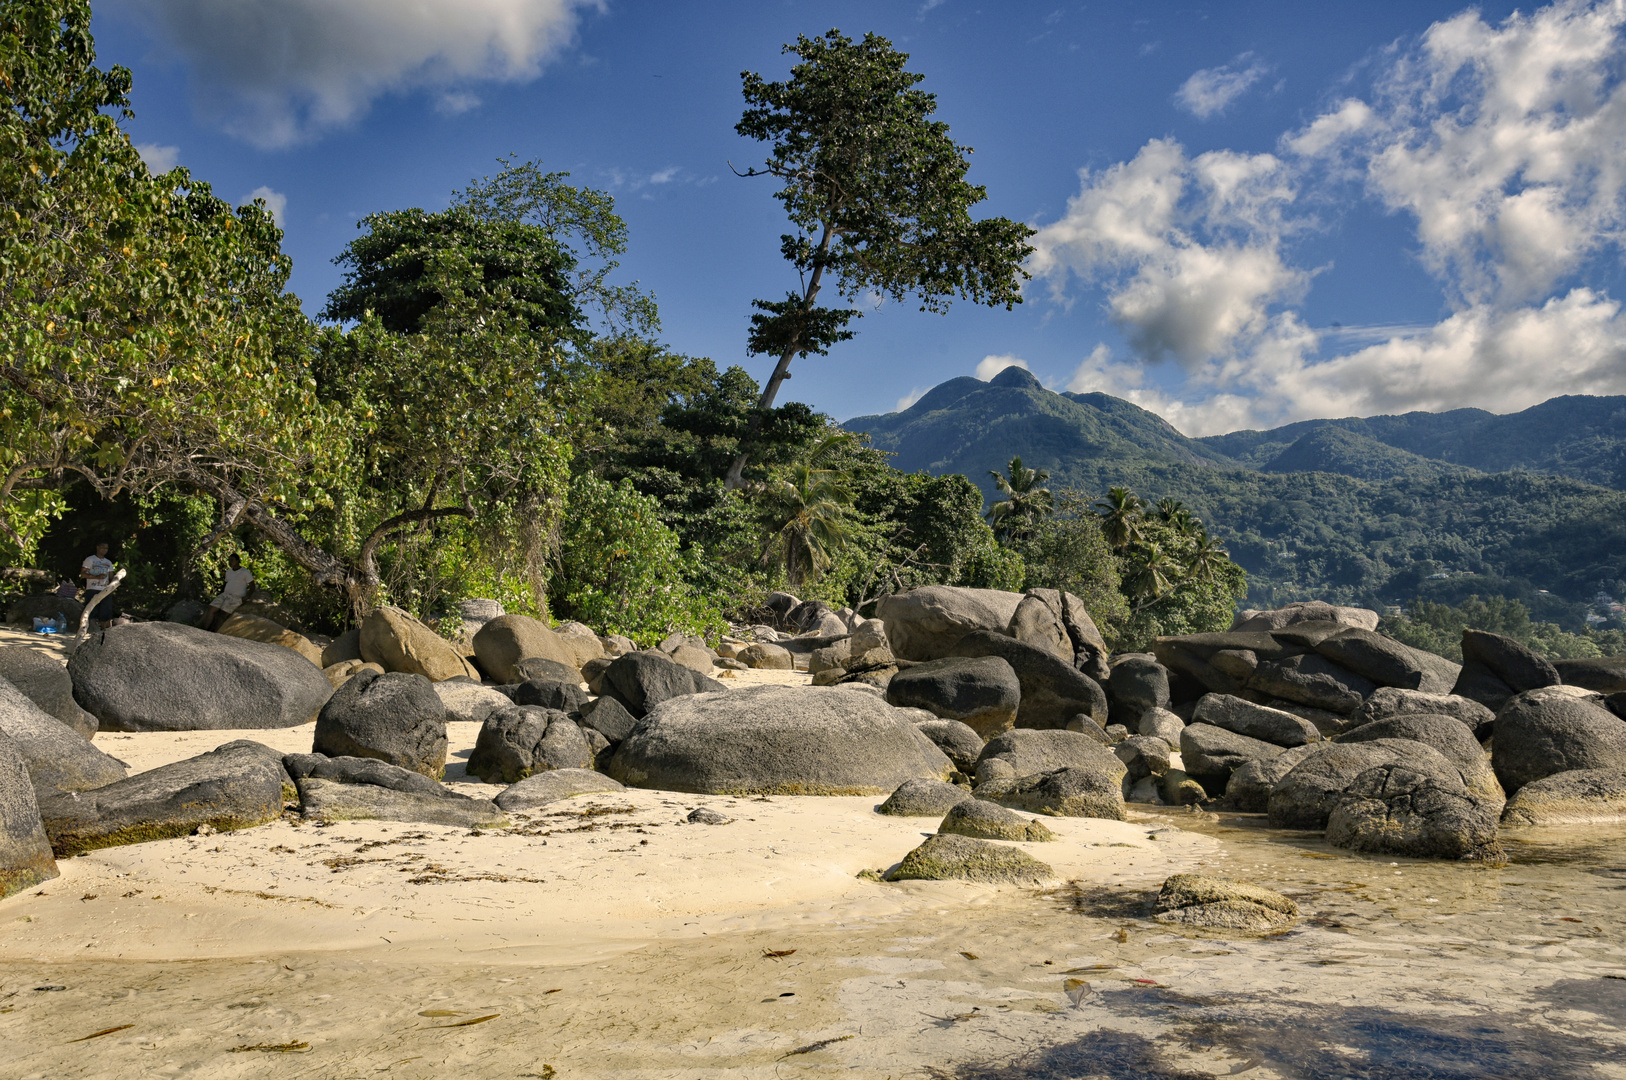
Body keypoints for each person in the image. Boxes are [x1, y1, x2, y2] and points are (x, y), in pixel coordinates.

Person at [201, 553, 254, 631]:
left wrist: (247, 596)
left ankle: (214, 632)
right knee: (211, 609)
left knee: (223, 614)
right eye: (229, 560)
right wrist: (221, 593)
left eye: (232, 560)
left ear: (238, 561)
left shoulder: (245, 572)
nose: (230, 562)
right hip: (225, 594)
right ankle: (204, 629)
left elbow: (252, 585)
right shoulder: (228, 571)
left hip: (236, 597)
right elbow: (226, 583)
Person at [81, 541, 120, 622]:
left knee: (106, 613)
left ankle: (104, 631)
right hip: (92, 589)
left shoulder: (108, 562)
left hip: (104, 590)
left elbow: (111, 577)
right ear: (98, 547)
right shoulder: (90, 559)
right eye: (103, 548)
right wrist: (96, 577)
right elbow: (83, 574)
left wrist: (112, 586)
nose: (105, 550)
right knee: (91, 612)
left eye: (106, 548)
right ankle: (90, 630)